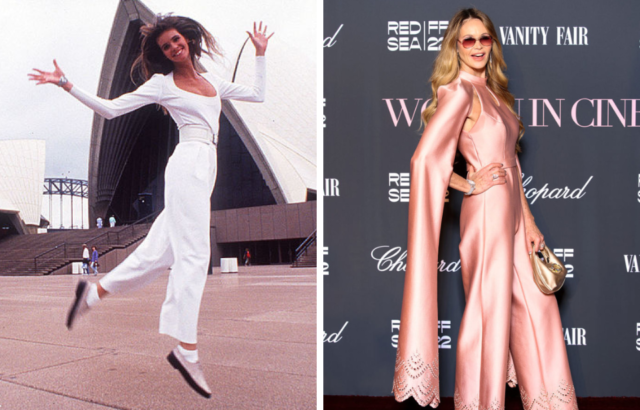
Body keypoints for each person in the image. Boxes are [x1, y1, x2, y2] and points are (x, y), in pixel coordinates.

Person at [29, 16, 272, 399]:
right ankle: (186, 349)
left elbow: (258, 95)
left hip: (206, 165)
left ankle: (93, 294)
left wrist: (260, 54)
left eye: (177, 40)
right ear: (162, 54)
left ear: (188, 39)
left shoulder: (213, 82)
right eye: (166, 47)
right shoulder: (162, 84)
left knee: (160, 252)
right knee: (194, 255)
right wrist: (66, 84)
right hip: (188, 162)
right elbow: (109, 109)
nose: (174, 48)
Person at [391, 8, 578, 410]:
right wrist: (467, 182)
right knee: (487, 315)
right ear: (456, 48)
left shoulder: (493, 90)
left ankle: (550, 403)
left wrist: (528, 223)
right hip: (487, 214)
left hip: (511, 215)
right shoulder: (458, 91)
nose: (477, 46)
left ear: (492, 43)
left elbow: (512, 164)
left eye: (484, 38)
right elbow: (424, 161)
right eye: (468, 40)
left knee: (538, 307)